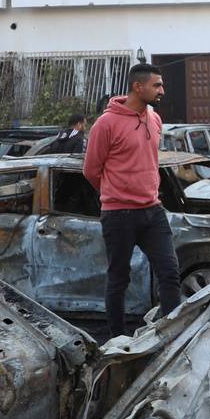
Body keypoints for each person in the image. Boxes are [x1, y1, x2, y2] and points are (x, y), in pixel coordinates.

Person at [84, 63, 182, 338]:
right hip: (119, 214)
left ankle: (172, 336)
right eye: (157, 85)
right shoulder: (106, 123)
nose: (162, 90)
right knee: (119, 278)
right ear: (138, 87)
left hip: (153, 210)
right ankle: (117, 340)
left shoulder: (154, 118)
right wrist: (115, 194)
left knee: (170, 271)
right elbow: (91, 170)